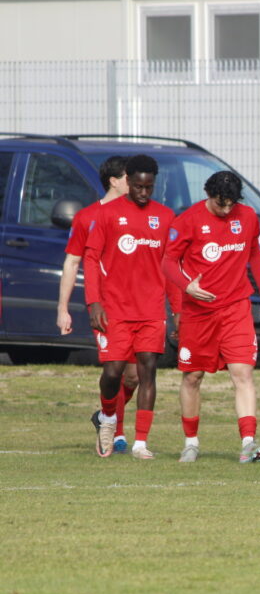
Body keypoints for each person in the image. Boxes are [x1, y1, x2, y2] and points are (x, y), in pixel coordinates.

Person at [162, 170, 260, 464]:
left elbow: (253, 253)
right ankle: (190, 442)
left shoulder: (248, 216)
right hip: (198, 314)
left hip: (236, 308)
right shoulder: (187, 220)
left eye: (230, 205)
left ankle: (248, 443)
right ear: (208, 195)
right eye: (220, 204)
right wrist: (187, 286)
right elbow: (168, 262)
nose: (226, 210)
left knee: (243, 374)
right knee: (193, 376)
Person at [83, 155, 178, 459]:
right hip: (115, 309)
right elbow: (91, 260)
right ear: (127, 180)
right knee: (112, 373)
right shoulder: (109, 214)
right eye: (138, 186)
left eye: (149, 187)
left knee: (147, 371)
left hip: (151, 310)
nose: (143, 192)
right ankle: (108, 418)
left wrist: (177, 311)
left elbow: (171, 266)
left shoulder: (165, 217)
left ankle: (140, 443)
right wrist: (94, 302)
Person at [58, 155, 139, 452]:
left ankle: (105, 415)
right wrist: (62, 308)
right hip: (105, 309)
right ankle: (114, 431)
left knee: (134, 375)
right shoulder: (87, 217)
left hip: (137, 309)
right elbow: (72, 262)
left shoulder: (139, 215)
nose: (138, 185)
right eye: (130, 178)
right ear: (115, 181)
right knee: (113, 369)